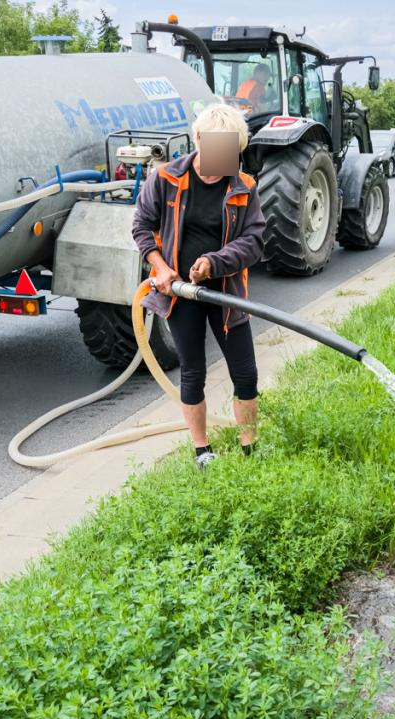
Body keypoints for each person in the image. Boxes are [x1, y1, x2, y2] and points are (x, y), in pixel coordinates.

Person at [131, 104, 266, 469]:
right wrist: (160, 268)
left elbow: (253, 241)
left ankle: (250, 448)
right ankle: (202, 451)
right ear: (199, 139)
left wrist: (212, 263)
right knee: (193, 371)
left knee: (245, 372)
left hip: (227, 294)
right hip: (180, 294)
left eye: (232, 150)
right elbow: (141, 225)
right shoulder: (165, 178)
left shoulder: (244, 187)